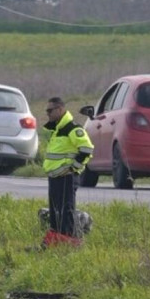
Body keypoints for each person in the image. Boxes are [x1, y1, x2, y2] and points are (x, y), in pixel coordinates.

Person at [41, 97, 94, 243]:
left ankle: (71, 241)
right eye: (47, 111)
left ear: (60, 109)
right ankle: (55, 240)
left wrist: (73, 168)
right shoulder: (57, 129)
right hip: (55, 176)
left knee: (66, 211)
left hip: (66, 176)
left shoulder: (72, 128)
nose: (48, 114)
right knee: (55, 210)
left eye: (50, 110)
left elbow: (86, 149)